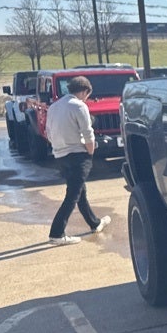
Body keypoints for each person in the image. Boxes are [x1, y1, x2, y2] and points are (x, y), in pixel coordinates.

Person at [45, 75, 110, 245]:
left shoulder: (54, 107)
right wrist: (90, 152)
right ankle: (56, 234)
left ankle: (94, 223)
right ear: (85, 91)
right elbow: (88, 133)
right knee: (73, 195)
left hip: (60, 155)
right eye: (88, 95)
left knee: (80, 192)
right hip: (78, 155)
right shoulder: (79, 106)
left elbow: (48, 133)